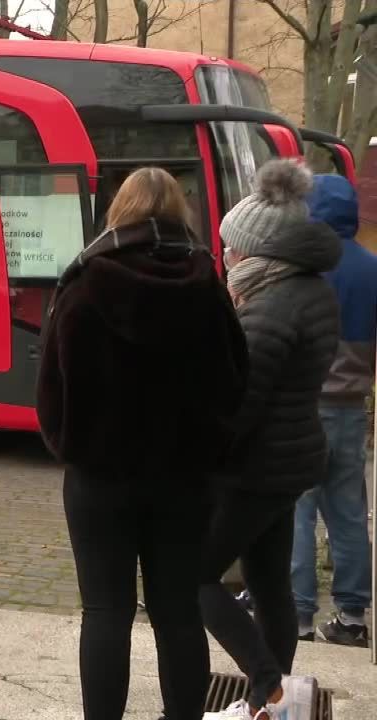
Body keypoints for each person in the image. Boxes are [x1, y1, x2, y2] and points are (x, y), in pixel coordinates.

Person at [36, 169, 248, 720]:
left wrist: (70, 446)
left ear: (119, 211)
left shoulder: (83, 283)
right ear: (181, 213)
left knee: (105, 611)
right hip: (185, 479)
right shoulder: (207, 285)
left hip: (100, 478)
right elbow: (234, 383)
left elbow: (53, 388)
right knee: (178, 612)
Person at [201, 160, 340, 720]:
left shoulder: (269, 308)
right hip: (293, 460)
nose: (226, 258)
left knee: (193, 574)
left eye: (232, 248)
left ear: (260, 254)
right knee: (268, 581)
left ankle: (266, 683)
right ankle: (269, 702)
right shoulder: (310, 292)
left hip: (255, 469)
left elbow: (242, 405)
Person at [291, 173, 373, 648]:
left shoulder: (302, 267)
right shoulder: (373, 269)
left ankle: (298, 616)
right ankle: (353, 616)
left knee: (298, 510)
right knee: (347, 513)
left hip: (303, 407)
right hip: (349, 409)